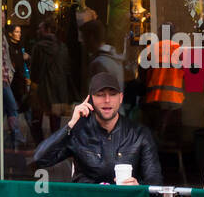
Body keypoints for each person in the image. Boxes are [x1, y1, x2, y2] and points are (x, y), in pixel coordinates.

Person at [32, 71, 162, 185]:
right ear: (90, 99)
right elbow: (40, 159)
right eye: (100, 94)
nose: (107, 100)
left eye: (112, 94)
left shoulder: (139, 134)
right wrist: (71, 125)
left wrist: (137, 187)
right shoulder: (79, 131)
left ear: (121, 98)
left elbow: (155, 183)